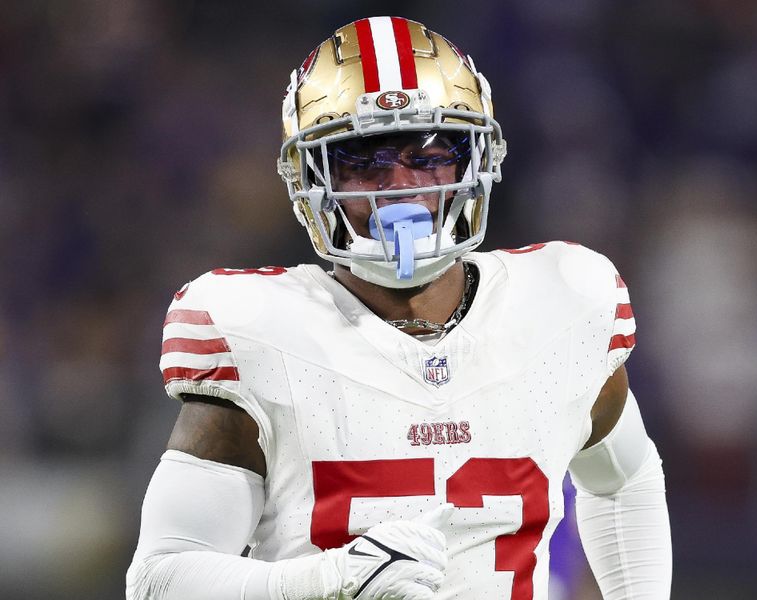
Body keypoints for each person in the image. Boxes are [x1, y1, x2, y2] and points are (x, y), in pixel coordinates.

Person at [126, 16, 671, 600]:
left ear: (472, 161)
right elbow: (162, 579)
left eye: (430, 153)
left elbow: (625, 480)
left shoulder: (561, 302)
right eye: (365, 160)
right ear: (311, 175)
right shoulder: (259, 332)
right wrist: (328, 581)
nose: (401, 186)